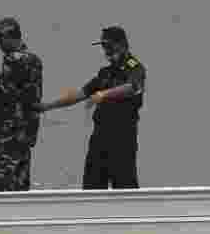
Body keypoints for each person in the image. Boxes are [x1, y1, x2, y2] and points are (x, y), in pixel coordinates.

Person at [34, 25, 146, 189]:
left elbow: (133, 87)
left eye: (109, 45)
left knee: (124, 185)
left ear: (121, 44)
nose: (106, 50)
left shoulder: (134, 66)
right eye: (103, 46)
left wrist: (104, 94)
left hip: (122, 136)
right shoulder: (105, 73)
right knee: (92, 185)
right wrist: (48, 106)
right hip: (101, 135)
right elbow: (80, 94)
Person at [0, 17, 43, 192]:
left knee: (3, 186)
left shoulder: (12, 59)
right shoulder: (34, 59)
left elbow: (8, 95)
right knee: (21, 186)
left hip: (9, 132)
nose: (0, 46)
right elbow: (27, 94)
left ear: (8, 36)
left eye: (0, 41)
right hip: (26, 132)